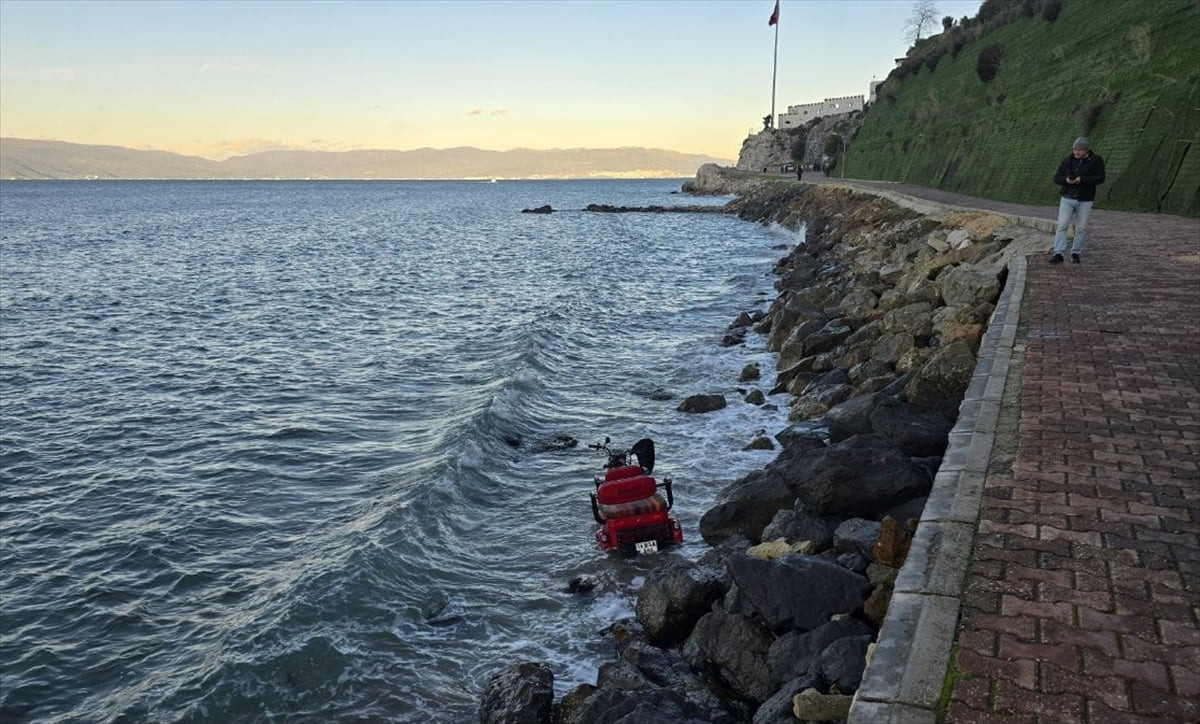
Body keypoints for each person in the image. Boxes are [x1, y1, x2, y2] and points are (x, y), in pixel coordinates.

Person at [1049, 136, 1106, 264]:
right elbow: (1057, 178)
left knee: (1080, 228)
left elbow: (1100, 178)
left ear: (1086, 150)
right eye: (1075, 149)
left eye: (1080, 150)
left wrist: (1082, 179)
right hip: (1067, 197)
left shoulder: (1096, 161)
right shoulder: (1068, 161)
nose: (1076, 152)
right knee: (1062, 225)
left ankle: (1075, 252)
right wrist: (1067, 180)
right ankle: (1058, 252)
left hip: (1085, 199)